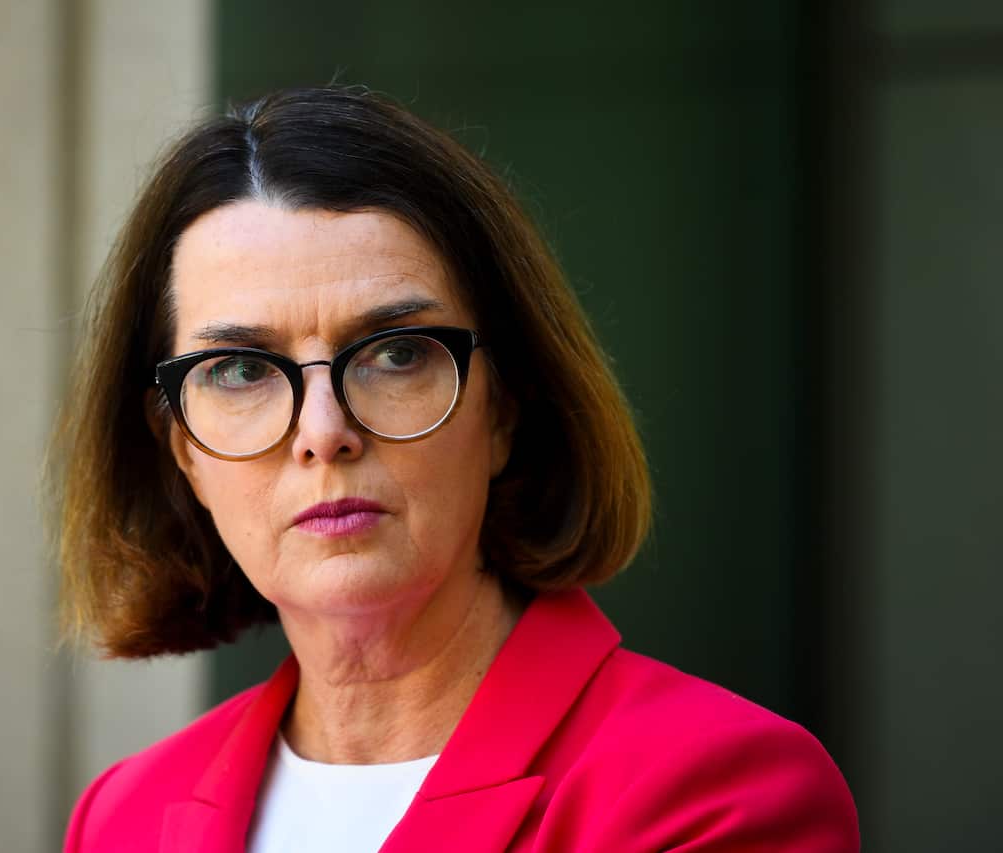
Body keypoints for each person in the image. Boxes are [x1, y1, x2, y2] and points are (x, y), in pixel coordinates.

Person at [49, 86, 859, 852]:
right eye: (239, 370)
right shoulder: (124, 815)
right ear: (183, 447)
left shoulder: (715, 789)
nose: (323, 433)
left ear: (503, 407)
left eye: (397, 354)